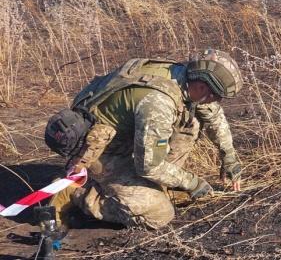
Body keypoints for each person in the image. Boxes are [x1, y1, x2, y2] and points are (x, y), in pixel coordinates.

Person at [46, 48, 244, 229]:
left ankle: (157, 186)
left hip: (126, 137)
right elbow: (149, 165)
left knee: (191, 125)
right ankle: (77, 193)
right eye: (216, 96)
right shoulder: (158, 102)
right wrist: (192, 182)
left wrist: (229, 158)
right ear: (202, 87)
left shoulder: (184, 77)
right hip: (102, 151)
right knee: (160, 213)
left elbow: (214, 115)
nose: (217, 101)